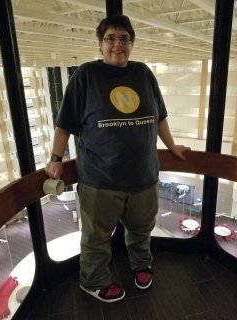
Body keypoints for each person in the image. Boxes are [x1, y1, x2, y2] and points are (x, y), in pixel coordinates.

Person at [45, 14, 190, 303]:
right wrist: (55, 157)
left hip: (144, 177)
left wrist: (172, 147)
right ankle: (93, 280)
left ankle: (141, 264)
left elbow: (158, 117)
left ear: (131, 43)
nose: (117, 44)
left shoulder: (144, 73)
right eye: (110, 37)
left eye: (124, 38)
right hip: (100, 179)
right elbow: (65, 124)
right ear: (100, 44)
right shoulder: (85, 75)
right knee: (96, 237)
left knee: (141, 229)